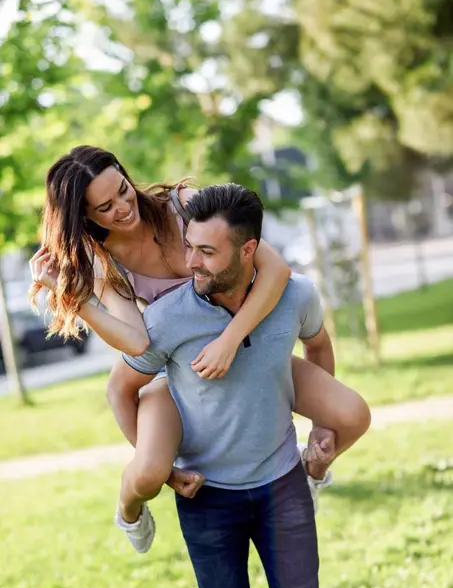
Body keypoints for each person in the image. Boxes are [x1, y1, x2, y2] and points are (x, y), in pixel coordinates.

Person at [29, 146, 370, 514]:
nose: (123, 207)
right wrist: (77, 302)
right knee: (150, 472)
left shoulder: (181, 205)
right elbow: (137, 341)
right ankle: (128, 510)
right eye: (105, 207)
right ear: (83, 215)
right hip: (179, 368)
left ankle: (310, 475)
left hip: (243, 345)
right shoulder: (103, 260)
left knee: (351, 417)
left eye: (123, 190)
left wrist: (230, 339)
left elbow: (276, 270)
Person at [108, 183, 331, 588]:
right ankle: (129, 510)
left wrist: (320, 425)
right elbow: (121, 389)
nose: (190, 263)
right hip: (206, 497)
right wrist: (166, 470)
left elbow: (319, 343)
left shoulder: (295, 295)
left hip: (283, 485)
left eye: (207, 251)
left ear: (249, 250)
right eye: (189, 246)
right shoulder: (167, 319)